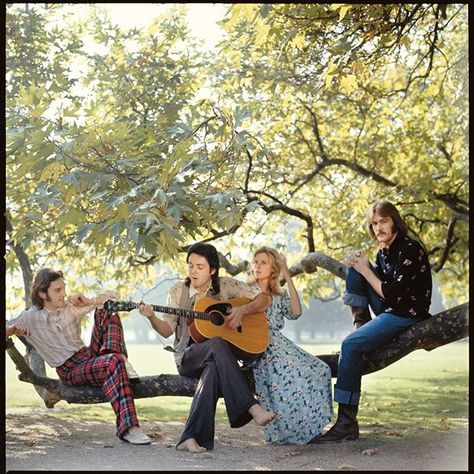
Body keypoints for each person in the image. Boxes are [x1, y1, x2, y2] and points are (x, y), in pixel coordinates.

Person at [311, 200, 432, 443]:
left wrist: (367, 270)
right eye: (374, 224)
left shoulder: (409, 248)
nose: (379, 228)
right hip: (390, 309)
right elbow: (375, 287)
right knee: (356, 265)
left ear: (395, 221)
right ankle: (362, 327)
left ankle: (346, 423)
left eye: (383, 221)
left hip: (407, 313)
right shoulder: (383, 252)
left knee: (350, 346)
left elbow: (393, 294)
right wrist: (360, 265)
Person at [138, 242, 276, 453]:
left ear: (212, 269)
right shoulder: (178, 291)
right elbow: (167, 330)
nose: (193, 271)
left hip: (217, 361)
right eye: (190, 265)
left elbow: (264, 298)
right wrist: (151, 317)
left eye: (200, 267)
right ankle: (251, 406)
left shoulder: (227, 286)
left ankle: (189, 438)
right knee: (218, 344)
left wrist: (243, 311)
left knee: (212, 369)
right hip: (188, 358)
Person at [6, 268, 151, 445]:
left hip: (89, 356)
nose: (64, 294)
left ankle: (118, 363)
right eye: (57, 290)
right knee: (113, 361)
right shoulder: (29, 318)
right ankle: (129, 428)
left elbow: (114, 297)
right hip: (70, 369)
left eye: (64, 288)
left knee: (108, 308)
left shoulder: (71, 307)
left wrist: (90, 301)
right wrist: (12, 331)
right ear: (43, 293)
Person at [249, 247, 333, 444]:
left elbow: (295, 312)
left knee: (320, 370)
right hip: (260, 346)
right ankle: (289, 433)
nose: (258, 266)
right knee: (286, 381)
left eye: (264, 263)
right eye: (256, 262)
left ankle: (310, 428)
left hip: (280, 344)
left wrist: (286, 272)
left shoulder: (279, 294)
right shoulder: (246, 290)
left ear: (273, 268)